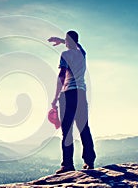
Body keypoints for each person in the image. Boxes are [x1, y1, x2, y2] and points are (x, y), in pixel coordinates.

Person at [48, 30, 96, 174]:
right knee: (84, 127)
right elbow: (78, 46)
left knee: (67, 129)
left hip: (68, 93)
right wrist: (65, 41)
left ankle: (68, 164)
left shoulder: (65, 55)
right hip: (81, 94)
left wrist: (55, 98)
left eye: (65, 40)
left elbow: (62, 75)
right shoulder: (83, 54)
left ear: (68, 41)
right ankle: (89, 161)